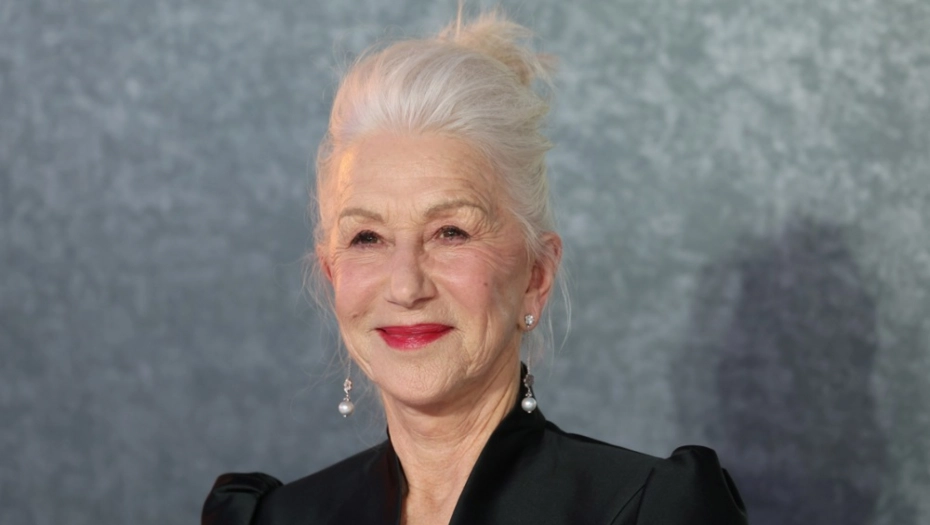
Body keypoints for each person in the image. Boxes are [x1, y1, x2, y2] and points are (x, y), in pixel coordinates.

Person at [202, 10, 748, 525]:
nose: (406, 285)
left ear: (535, 277)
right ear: (332, 275)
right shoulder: (275, 518)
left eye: (451, 233)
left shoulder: (647, 510)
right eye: (367, 238)